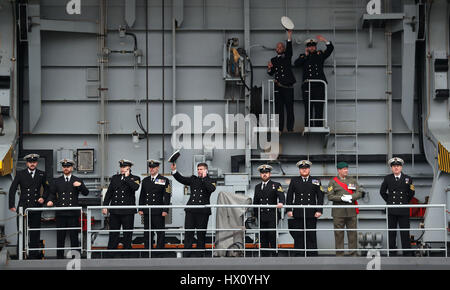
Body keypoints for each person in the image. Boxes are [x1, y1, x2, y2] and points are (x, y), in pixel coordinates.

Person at [9, 153, 50, 259]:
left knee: (35, 232)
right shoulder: (20, 174)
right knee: (21, 231)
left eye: (34, 162)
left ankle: (33, 255)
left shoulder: (41, 174)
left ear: (36, 163)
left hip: (36, 207)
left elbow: (47, 188)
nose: (32, 164)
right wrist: (11, 204)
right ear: (27, 163)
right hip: (23, 207)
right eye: (30, 162)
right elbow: (12, 189)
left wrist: (43, 198)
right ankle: (20, 255)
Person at [171, 162, 216, 257]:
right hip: (191, 210)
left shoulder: (211, 180)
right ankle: (187, 253)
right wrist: (174, 171)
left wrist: (204, 178)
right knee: (188, 233)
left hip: (203, 212)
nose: (199, 171)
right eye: (198, 169)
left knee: (201, 234)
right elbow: (182, 179)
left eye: (201, 169)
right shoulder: (193, 179)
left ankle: (200, 254)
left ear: (206, 170)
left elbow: (211, 189)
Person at [47, 159, 89, 259]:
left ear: (72, 168)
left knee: (74, 237)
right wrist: (50, 201)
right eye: (64, 166)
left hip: (73, 214)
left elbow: (86, 193)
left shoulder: (77, 180)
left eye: (68, 166)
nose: (66, 168)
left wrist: (81, 186)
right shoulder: (57, 181)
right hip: (61, 213)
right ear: (62, 168)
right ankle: (59, 258)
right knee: (60, 237)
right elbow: (52, 193)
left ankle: (75, 258)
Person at [103, 159, 141, 258]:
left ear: (129, 168)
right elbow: (109, 193)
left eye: (124, 167)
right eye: (121, 167)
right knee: (113, 234)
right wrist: (105, 206)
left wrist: (127, 177)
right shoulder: (115, 178)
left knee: (127, 234)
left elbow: (135, 188)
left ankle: (127, 255)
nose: (122, 169)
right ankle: (110, 254)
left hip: (128, 212)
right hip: (115, 211)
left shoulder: (135, 178)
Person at [294, 36, 334, 128]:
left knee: (319, 106)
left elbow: (330, 49)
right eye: (309, 46)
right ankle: (308, 125)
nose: (311, 48)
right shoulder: (303, 56)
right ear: (307, 47)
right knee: (308, 107)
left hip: (319, 85)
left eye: (313, 46)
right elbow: (296, 64)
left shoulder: (320, 54)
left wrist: (324, 40)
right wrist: (305, 56)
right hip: (307, 86)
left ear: (315, 47)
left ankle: (318, 126)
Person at [286, 160, 324, 256]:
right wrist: (289, 210)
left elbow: (320, 196)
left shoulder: (315, 180)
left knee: (311, 234)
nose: (304, 170)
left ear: (309, 169)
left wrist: (319, 210)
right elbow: (289, 196)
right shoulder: (294, 180)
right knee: (298, 235)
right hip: (298, 212)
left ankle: (312, 254)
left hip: (311, 212)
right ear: (299, 170)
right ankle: (299, 254)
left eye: (306, 168)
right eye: (302, 168)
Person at [380, 157, 415, 256]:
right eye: (394, 166)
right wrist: (390, 201)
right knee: (392, 233)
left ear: (401, 167)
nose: (396, 168)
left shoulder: (408, 178)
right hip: (392, 210)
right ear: (391, 168)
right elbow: (382, 192)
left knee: (405, 232)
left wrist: (404, 202)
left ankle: (407, 253)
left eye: (398, 166)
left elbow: (411, 192)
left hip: (403, 209)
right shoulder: (387, 178)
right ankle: (392, 253)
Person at [327, 162, 363, 256]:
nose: (346, 170)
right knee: (338, 234)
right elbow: (330, 196)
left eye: (347, 168)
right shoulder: (333, 182)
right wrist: (341, 198)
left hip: (351, 211)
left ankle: (353, 254)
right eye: (344, 169)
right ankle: (339, 254)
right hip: (338, 212)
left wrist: (351, 197)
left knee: (353, 234)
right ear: (339, 170)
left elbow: (359, 193)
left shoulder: (352, 181)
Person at [138, 159, 171, 258]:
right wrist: (140, 208)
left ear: (157, 168)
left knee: (160, 232)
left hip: (158, 211)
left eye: (153, 167)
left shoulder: (164, 180)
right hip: (147, 211)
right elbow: (142, 195)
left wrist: (165, 209)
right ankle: (148, 250)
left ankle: (160, 251)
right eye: (150, 167)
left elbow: (167, 195)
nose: (151, 169)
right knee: (147, 232)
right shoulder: (145, 180)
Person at [252, 164, 285, 257]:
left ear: (269, 174)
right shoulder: (257, 187)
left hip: (272, 215)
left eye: (266, 172)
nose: (264, 174)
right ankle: (264, 255)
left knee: (272, 234)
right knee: (263, 236)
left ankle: (274, 254)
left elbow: (281, 196)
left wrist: (281, 203)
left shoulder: (276, 185)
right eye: (262, 173)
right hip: (261, 215)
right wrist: (255, 214)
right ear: (260, 175)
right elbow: (256, 201)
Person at [267, 29, 296, 132]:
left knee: (289, 109)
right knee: (279, 109)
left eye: (281, 47)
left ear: (283, 49)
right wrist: (269, 68)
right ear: (276, 49)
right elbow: (271, 73)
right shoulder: (274, 60)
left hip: (288, 87)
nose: (279, 48)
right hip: (278, 87)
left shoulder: (287, 57)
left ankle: (290, 128)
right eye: (278, 47)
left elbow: (289, 49)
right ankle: (279, 128)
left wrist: (289, 37)